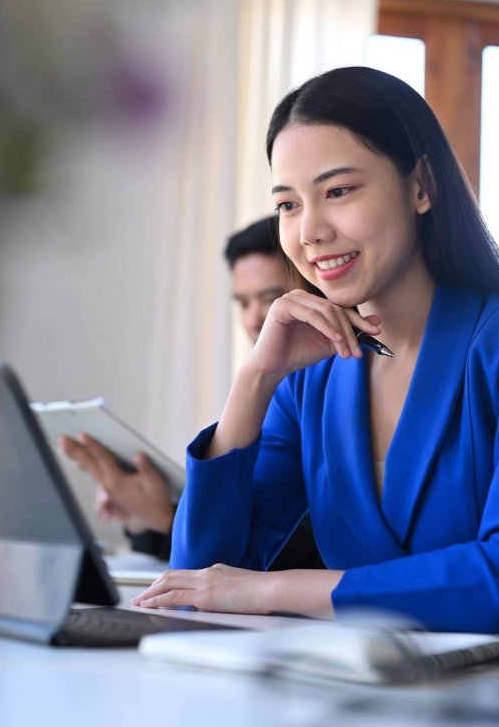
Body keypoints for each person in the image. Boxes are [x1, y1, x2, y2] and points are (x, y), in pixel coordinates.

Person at [131, 66, 499, 641]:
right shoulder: (311, 379)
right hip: (357, 695)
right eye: (288, 205)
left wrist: (275, 590)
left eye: (338, 191)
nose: (310, 232)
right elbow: (200, 577)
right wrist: (255, 380)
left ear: (420, 185)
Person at [60, 216, 325, 570]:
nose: (253, 319)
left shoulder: (326, 385)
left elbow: (307, 546)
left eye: (271, 298)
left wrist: (168, 518)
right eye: (243, 303)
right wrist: (147, 519)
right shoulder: (269, 389)